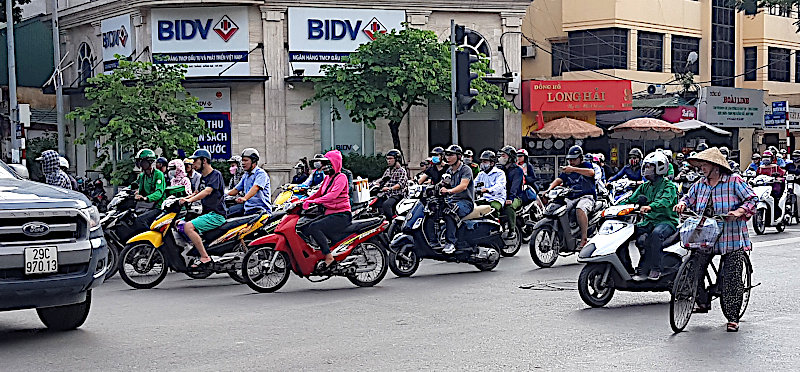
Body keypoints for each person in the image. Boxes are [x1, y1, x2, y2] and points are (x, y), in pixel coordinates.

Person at [674, 147, 757, 332]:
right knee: (694, 265)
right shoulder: (700, 183)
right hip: (706, 235)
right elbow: (688, 198)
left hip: (732, 237)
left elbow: (752, 199)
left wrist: (739, 212)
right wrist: (682, 204)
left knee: (731, 277)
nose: (702, 168)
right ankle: (702, 301)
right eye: (701, 165)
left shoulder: (734, 181)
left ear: (716, 167)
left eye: (705, 165)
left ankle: (732, 316)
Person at [620, 151, 679, 281]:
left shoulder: (669, 186)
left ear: (660, 168)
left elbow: (665, 201)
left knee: (656, 234)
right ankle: (626, 267)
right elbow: (631, 199)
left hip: (666, 222)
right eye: (646, 166)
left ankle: (655, 268)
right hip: (648, 221)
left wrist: (650, 206)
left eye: (650, 167)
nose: (647, 169)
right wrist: (616, 208)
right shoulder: (644, 186)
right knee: (624, 234)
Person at [302, 150, 352, 268]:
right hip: (328, 213)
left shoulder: (341, 177)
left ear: (334, 163)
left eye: (326, 164)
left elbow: (332, 195)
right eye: (323, 164)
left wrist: (314, 202)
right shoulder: (328, 178)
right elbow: (319, 193)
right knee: (305, 226)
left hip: (341, 215)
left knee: (314, 227)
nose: (323, 167)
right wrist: (303, 201)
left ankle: (328, 256)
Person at [180, 149, 228, 267]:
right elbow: (196, 192)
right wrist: (180, 200)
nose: (193, 163)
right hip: (206, 213)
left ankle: (204, 257)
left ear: (204, 161)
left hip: (216, 215)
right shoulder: (202, 177)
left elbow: (207, 191)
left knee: (188, 227)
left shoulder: (215, 175)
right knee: (179, 223)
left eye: (195, 160)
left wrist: (189, 200)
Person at [545, 145, 596, 247]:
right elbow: (559, 179)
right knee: (559, 209)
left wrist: (573, 169)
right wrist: (549, 189)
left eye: (574, 159)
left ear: (580, 158)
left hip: (586, 196)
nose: (571, 162)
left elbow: (591, 173)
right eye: (569, 160)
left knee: (580, 209)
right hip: (571, 197)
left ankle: (584, 238)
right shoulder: (567, 169)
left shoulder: (586, 165)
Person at [438, 145, 474, 254]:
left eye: (451, 155)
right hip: (451, 200)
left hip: (465, 202)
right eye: (447, 155)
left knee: (450, 212)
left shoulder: (466, 169)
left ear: (459, 156)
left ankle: (451, 243)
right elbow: (443, 183)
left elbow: (463, 186)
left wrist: (449, 191)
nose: (448, 158)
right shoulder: (449, 170)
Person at [227, 148, 271, 217]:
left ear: (254, 161)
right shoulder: (246, 175)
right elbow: (236, 190)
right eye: (242, 161)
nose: (243, 163)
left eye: (246, 160)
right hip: (248, 209)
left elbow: (256, 188)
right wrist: (221, 195)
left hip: (260, 210)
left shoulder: (261, 173)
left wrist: (245, 198)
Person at [373, 149, 408, 220]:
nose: (388, 161)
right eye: (387, 159)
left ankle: (391, 223)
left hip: (397, 194)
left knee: (386, 205)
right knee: (375, 202)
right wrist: (374, 183)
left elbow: (400, 184)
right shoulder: (388, 170)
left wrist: (390, 188)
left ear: (397, 159)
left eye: (390, 159)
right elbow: (382, 179)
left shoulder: (401, 171)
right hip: (386, 194)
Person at [499, 145, 524, 239]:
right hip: (501, 196)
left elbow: (515, 187)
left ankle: (512, 230)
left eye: (503, 155)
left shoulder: (518, 171)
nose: (501, 158)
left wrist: (510, 198)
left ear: (510, 157)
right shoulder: (500, 169)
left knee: (509, 207)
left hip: (515, 197)